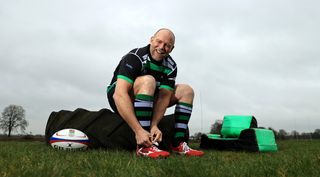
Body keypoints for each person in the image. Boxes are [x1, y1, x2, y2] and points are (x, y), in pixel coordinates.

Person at [107, 28, 204, 158]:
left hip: (149, 98)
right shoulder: (135, 57)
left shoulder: (171, 66)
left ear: (172, 49)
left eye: (167, 45)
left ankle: (178, 143)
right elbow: (119, 94)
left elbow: (164, 98)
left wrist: (154, 125)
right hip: (121, 97)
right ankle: (144, 146)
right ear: (151, 40)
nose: (162, 47)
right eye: (159, 42)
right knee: (149, 80)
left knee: (186, 91)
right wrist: (138, 130)